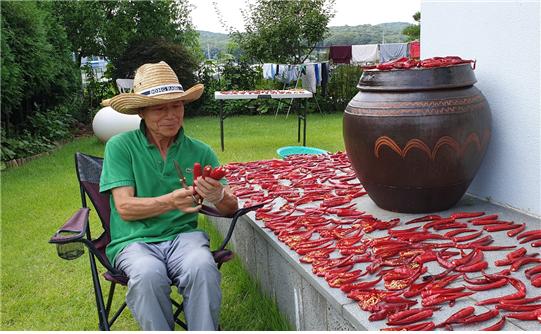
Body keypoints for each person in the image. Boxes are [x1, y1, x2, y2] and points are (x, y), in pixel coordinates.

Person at [99, 61, 238, 331]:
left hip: (184, 238)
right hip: (134, 241)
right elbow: (125, 208)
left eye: (177, 106)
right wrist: (171, 201)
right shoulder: (120, 147)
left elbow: (231, 207)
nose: (171, 115)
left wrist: (218, 194)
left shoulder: (200, 151)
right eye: (160, 108)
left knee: (202, 266)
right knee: (148, 274)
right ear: (141, 111)